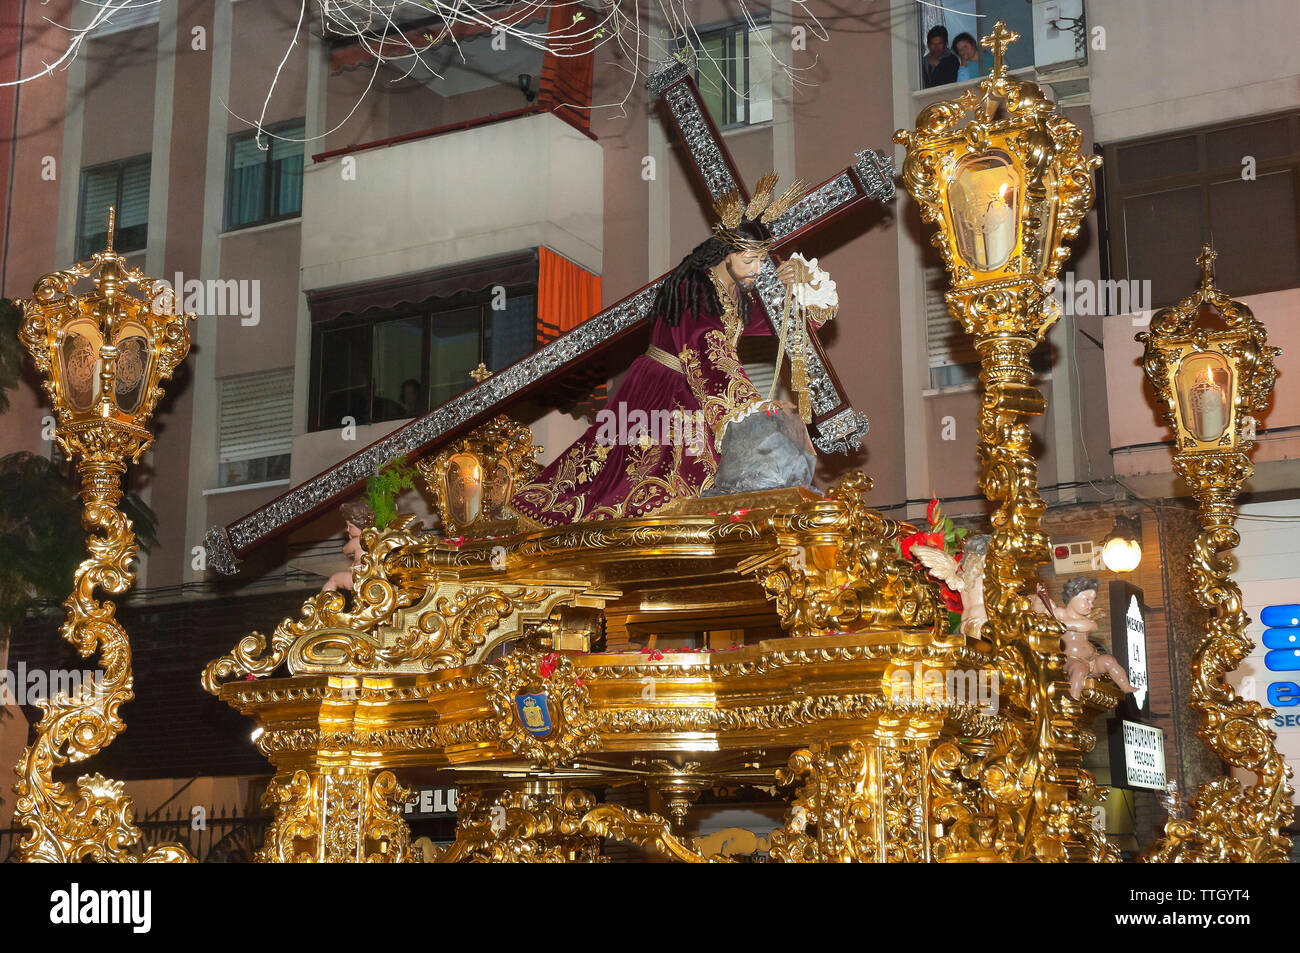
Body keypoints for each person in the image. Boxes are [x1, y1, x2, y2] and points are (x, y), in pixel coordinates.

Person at [511, 174, 836, 527]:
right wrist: (746, 405)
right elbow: (703, 346)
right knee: (646, 482)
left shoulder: (733, 295)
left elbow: (773, 320)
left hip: (697, 391)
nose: (757, 269)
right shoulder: (693, 285)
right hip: (667, 387)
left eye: (761, 260)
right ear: (726, 253)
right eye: (750, 260)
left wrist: (799, 292)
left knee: (701, 481)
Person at [1039, 576, 1137, 700]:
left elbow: (1090, 626)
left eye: (1092, 601)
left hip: (1092, 660)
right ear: (1072, 596)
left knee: (1109, 660)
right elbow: (1048, 619)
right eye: (1087, 600)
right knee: (1080, 669)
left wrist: (1067, 624)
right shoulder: (1061, 613)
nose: (1090, 605)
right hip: (1070, 659)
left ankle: (1126, 686)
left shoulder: (1086, 620)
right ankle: (1073, 699)